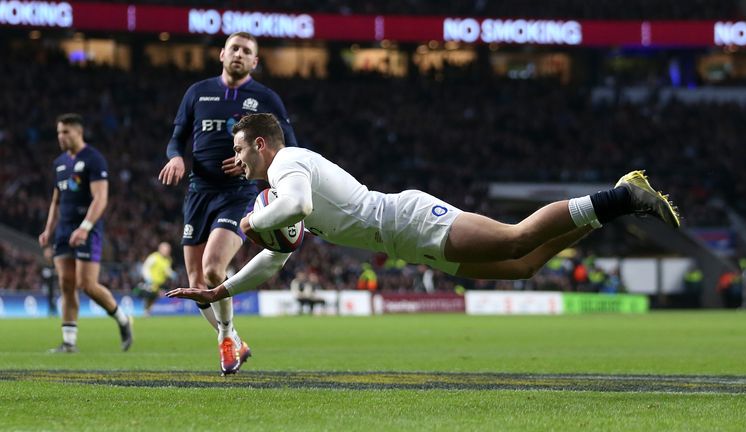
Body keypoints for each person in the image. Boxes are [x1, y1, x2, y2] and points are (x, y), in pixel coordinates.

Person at [168, 113, 681, 308]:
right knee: (524, 265)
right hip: (405, 242)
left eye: (240, 149)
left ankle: (623, 197)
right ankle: (617, 202)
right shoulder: (278, 189)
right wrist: (223, 288)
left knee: (515, 238)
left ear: (261, 143)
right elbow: (277, 259)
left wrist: (252, 221)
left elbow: (295, 206)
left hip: (406, 219)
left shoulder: (288, 164)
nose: (236, 160)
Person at [158, 32, 297, 375]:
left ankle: (224, 338)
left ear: (255, 62)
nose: (238, 54)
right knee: (195, 280)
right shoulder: (197, 92)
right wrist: (176, 158)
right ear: (221, 54)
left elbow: (291, 148)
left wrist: (255, 161)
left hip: (238, 193)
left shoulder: (265, 98)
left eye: (246, 51)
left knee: (212, 269)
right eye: (233, 48)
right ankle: (234, 337)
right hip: (198, 192)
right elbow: (176, 139)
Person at [38, 113, 133, 353]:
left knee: (87, 284)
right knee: (66, 284)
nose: (61, 136)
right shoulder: (59, 163)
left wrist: (85, 227)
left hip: (87, 229)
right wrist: (48, 229)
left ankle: (123, 319)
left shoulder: (94, 159)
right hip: (63, 230)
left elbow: (101, 198)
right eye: (59, 132)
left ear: (78, 132)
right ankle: (69, 342)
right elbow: (56, 200)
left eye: (65, 131)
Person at [136, 241, 176, 316]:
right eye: (166, 249)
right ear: (160, 249)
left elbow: (167, 270)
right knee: (149, 296)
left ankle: (147, 312)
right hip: (151, 283)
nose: (167, 251)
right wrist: (148, 278)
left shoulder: (168, 259)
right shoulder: (154, 257)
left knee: (154, 298)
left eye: (168, 250)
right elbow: (145, 267)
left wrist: (171, 274)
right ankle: (145, 311)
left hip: (159, 284)